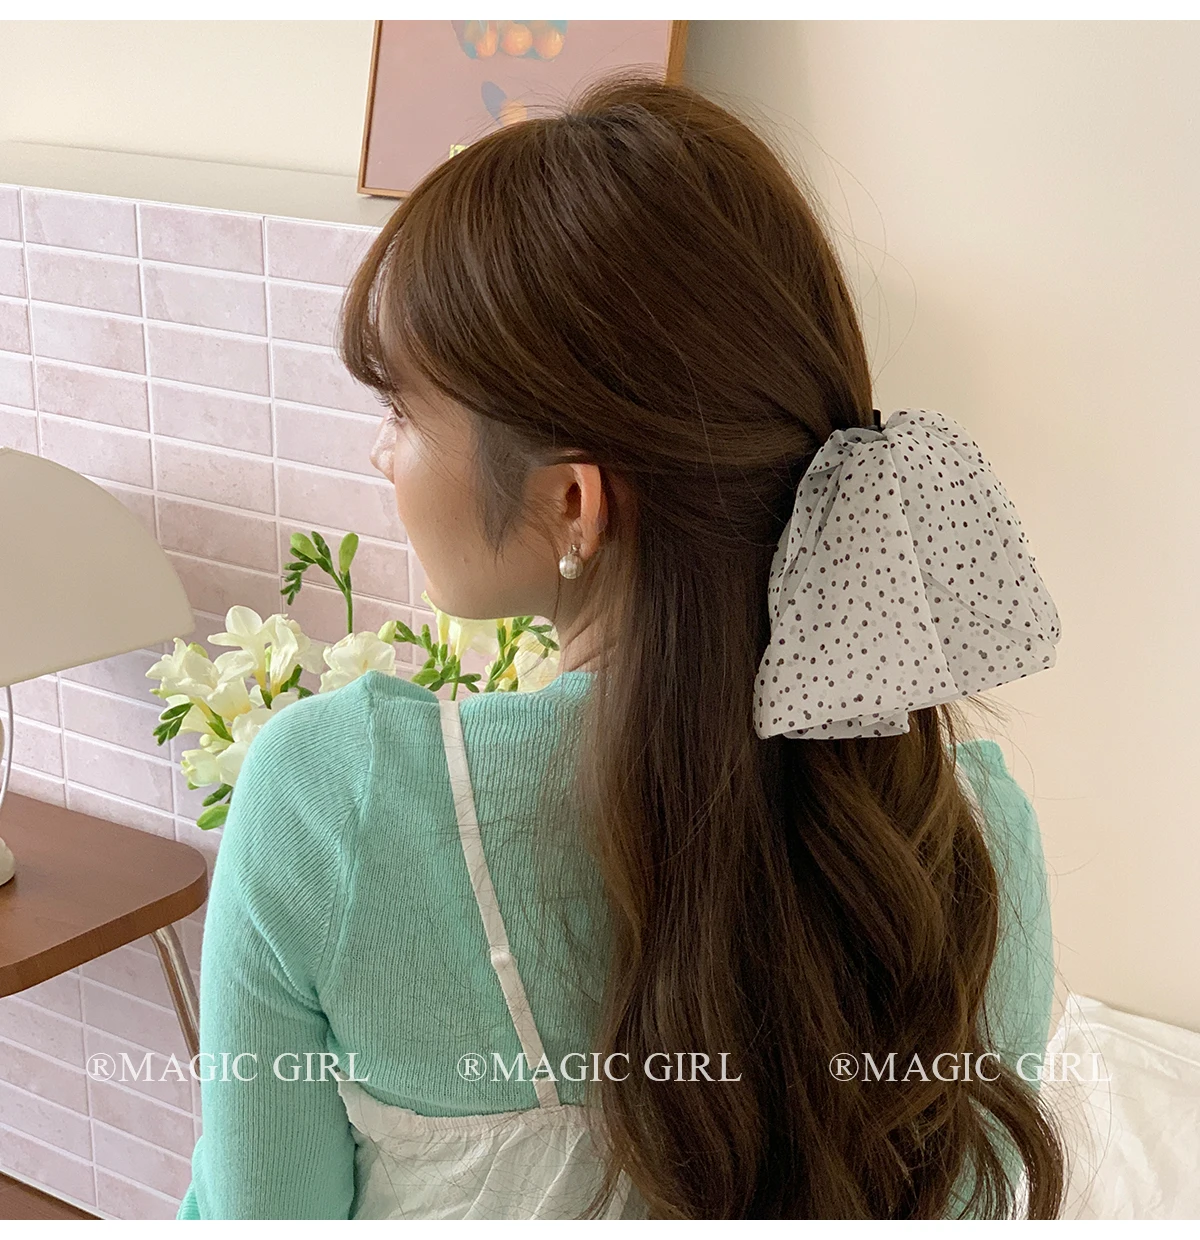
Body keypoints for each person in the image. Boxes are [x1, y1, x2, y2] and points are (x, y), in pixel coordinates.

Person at [177, 70, 1066, 1220]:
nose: (379, 455)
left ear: (573, 505)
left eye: (399, 411)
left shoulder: (331, 800)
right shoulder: (967, 837)